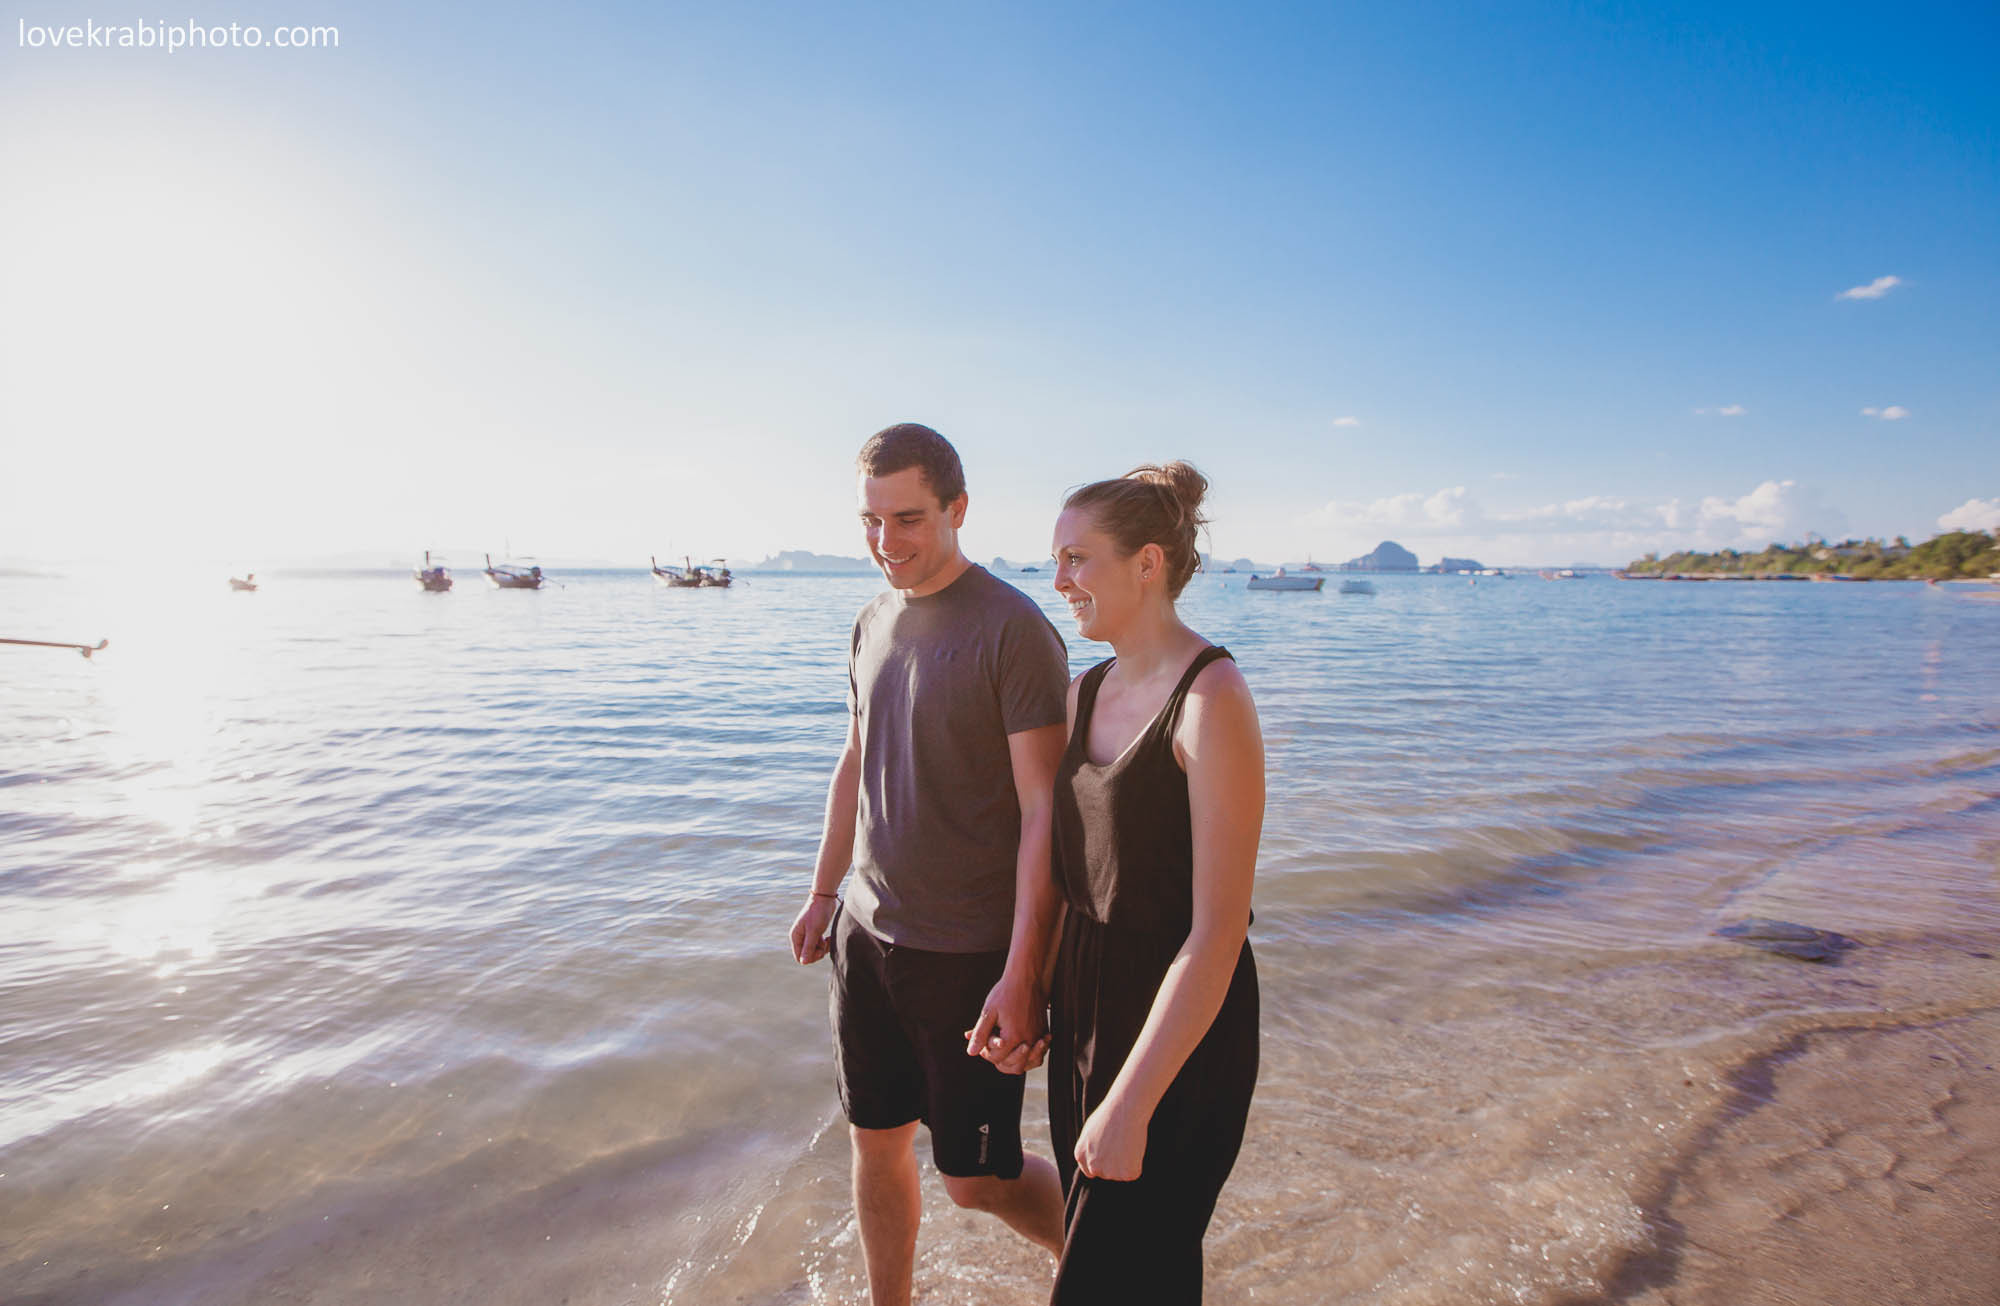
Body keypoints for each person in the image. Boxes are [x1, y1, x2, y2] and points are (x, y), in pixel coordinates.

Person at [789, 422, 1072, 1306]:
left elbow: (1045, 817)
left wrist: (1026, 973)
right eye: (870, 522)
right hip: (867, 935)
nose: (886, 542)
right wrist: (823, 891)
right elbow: (854, 760)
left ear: (956, 509)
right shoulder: (871, 620)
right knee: (874, 1140)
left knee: (974, 1179)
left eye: (907, 518)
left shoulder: (1013, 631)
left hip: (967, 955)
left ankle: (1113, 1261)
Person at [1034, 461, 1264, 1304]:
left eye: (1076, 559)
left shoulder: (1213, 698)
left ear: (1148, 562)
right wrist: (1025, 988)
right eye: (1055, 561)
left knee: (1112, 1278)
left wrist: (1132, 1101)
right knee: (1137, 1281)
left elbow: (1218, 931)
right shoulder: (1080, 693)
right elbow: (1063, 874)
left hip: (1177, 1032)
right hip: (1086, 1006)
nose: (1058, 581)